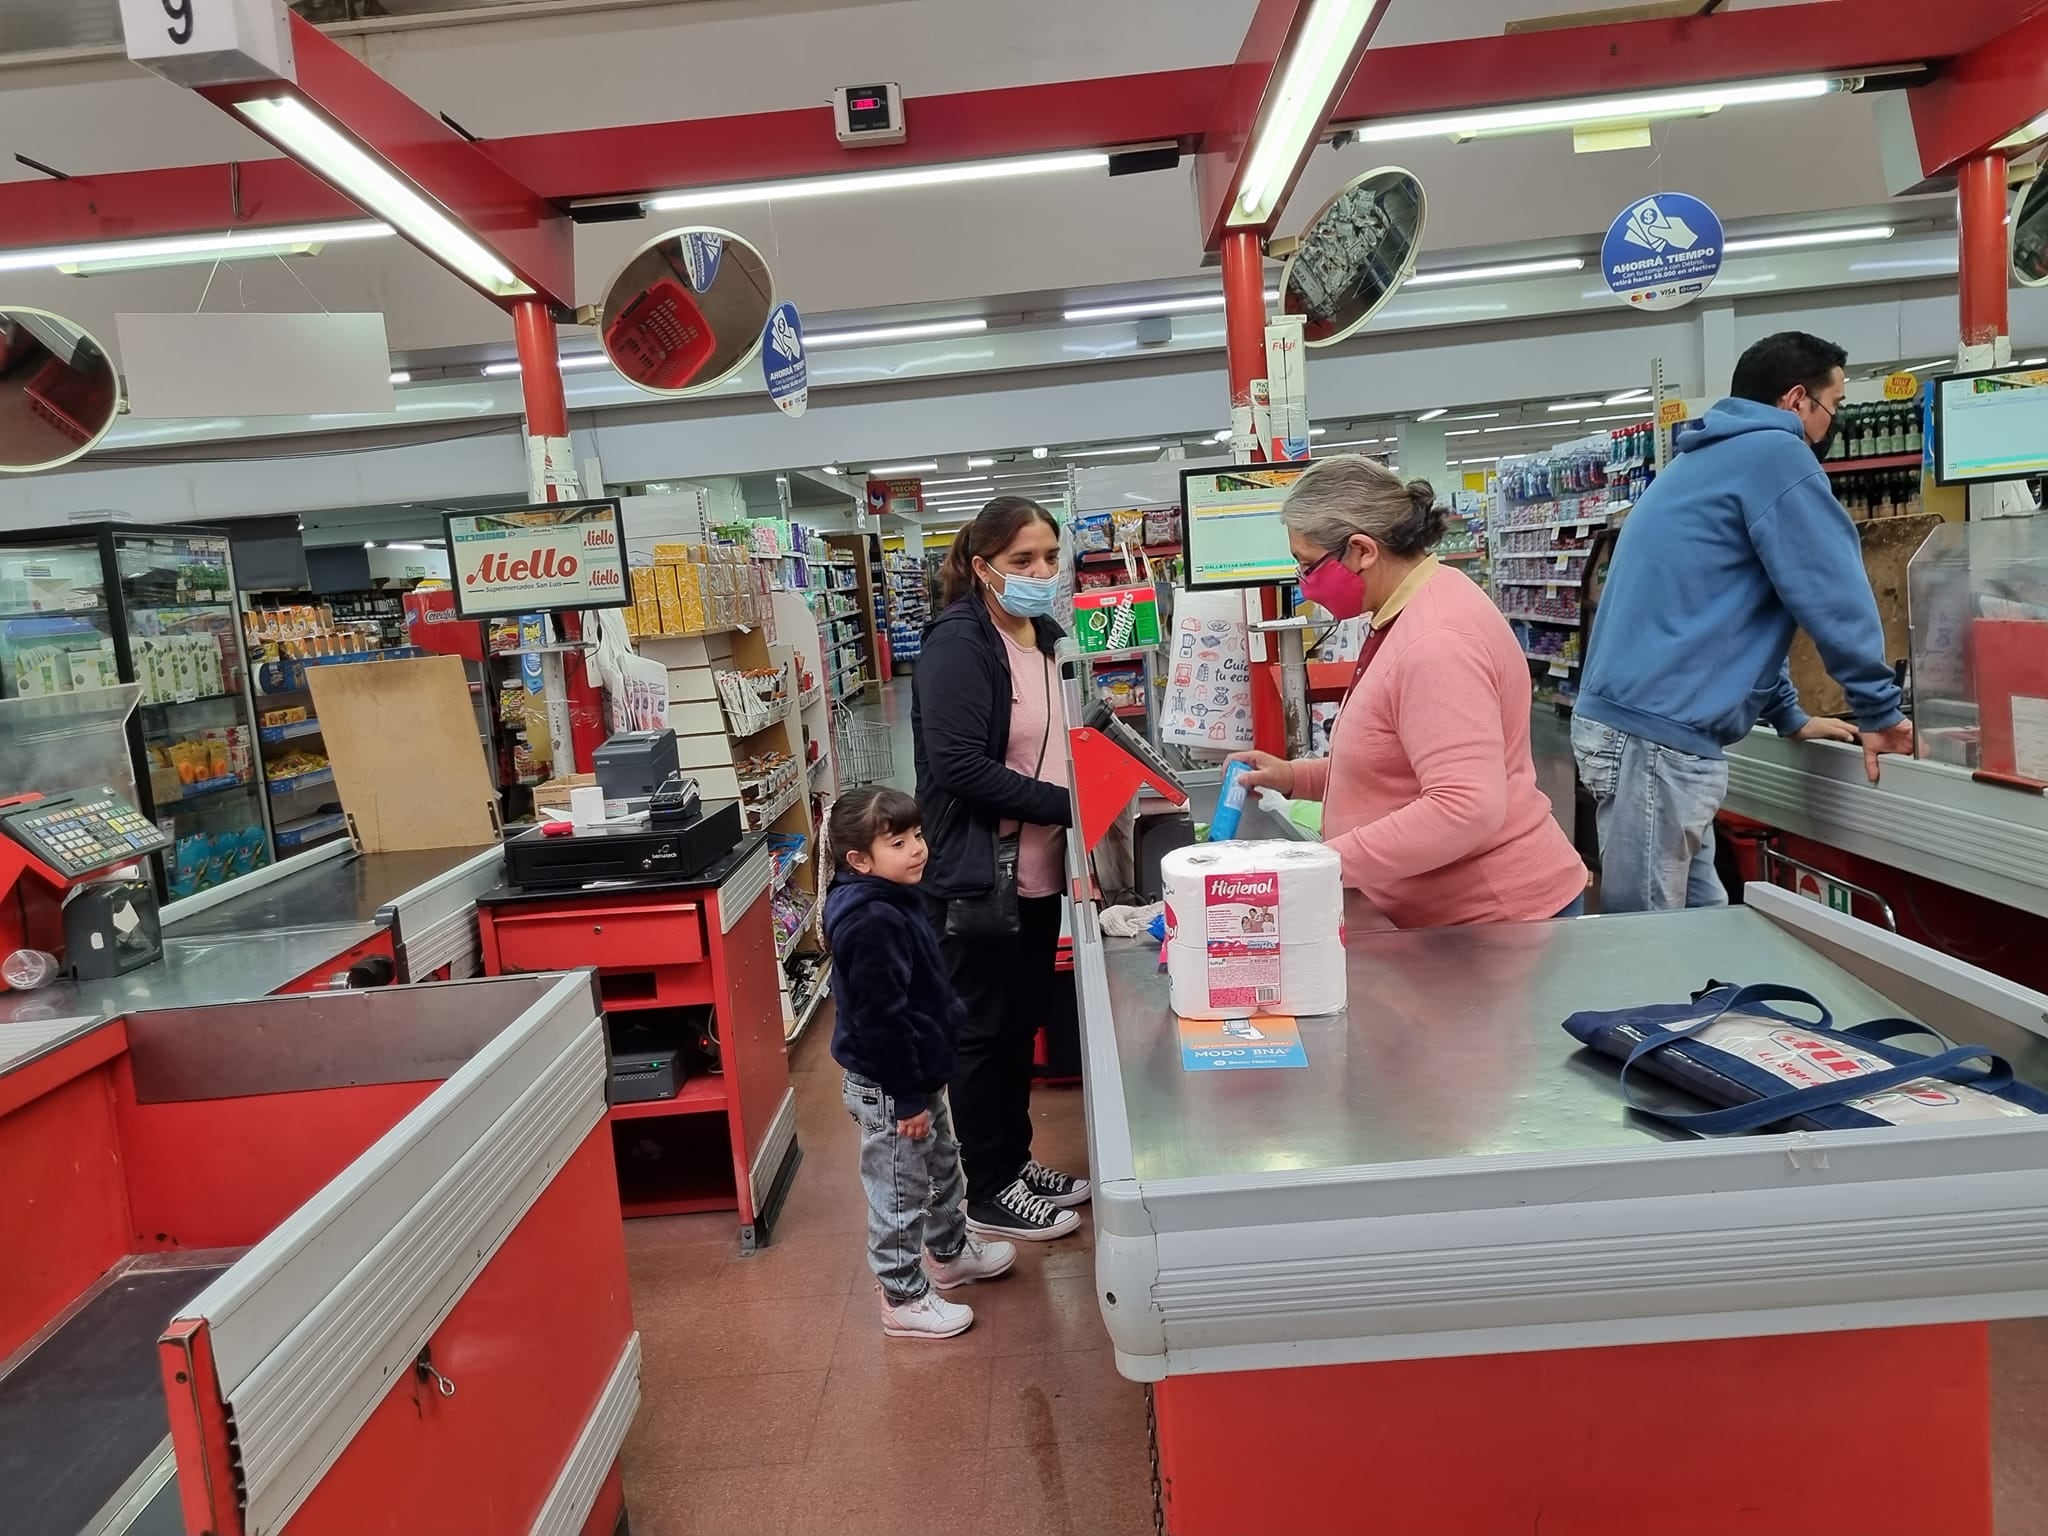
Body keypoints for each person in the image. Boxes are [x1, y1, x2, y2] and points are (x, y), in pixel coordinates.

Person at [1572, 331, 1913, 913]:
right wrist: (1880, 711)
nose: (1833, 426)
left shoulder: (1706, 459)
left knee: (1704, 930)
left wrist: (1788, 713)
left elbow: (1738, 612)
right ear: (1797, 400)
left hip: (1650, 730)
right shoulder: (1776, 457)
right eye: (1834, 408)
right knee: (1642, 945)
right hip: (1655, 740)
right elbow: (1832, 592)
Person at [1231, 455, 1588, 928]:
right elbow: (1395, 761)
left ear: (1362, 550)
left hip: (1497, 921)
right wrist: (1296, 777)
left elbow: (1464, 807)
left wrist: (1319, 865)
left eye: (1307, 564)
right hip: (1462, 918)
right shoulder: (1423, 597)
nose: (1304, 583)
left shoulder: (1435, 641)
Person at [912, 496, 1086, 1243]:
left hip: (1038, 868)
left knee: (1021, 1025)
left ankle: (1013, 1162)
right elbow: (957, 766)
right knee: (982, 1033)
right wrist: (1069, 802)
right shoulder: (958, 643)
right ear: (981, 566)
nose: (1041, 572)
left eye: (1049, 556)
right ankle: (986, 1188)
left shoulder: (1041, 634)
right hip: (979, 875)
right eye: (1022, 561)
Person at [823, 786, 1018, 1339]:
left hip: (917, 1071)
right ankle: (902, 1296)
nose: (917, 849)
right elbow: (881, 1019)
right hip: (891, 1086)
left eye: (917, 835)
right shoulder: (870, 922)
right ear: (858, 860)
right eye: (898, 842)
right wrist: (908, 1097)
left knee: (941, 1168)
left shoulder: (893, 898)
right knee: (901, 1191)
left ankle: (950, 1253)